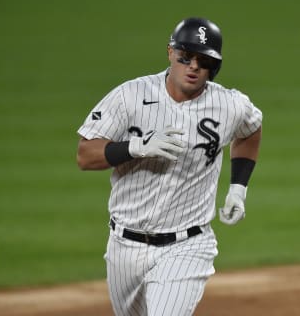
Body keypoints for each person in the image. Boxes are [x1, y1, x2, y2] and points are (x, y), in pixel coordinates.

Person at [76, 17, 262, 316]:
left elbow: (251, 129)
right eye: (185, 57)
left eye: (203, 61)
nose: (193, 67)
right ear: (170, 53)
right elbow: (86, 155)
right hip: (124, 246)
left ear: (214, 66)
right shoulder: (130, 96)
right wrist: (136, 147)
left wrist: (238, 188)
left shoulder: (229, 104)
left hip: (188, 245)